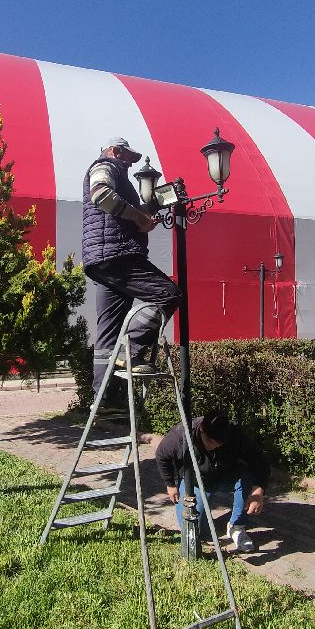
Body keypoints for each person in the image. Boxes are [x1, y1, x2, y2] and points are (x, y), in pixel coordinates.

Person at [82, 137, 182, 403]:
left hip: (102, 263)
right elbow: (100, 194)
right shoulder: (105, 165)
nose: (129, 164)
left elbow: (122, 209)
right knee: (168, 294)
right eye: (128, 157)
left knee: (108, 332)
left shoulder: (116, 174)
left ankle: (103, 401)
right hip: (118, 255)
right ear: (116, 151)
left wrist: (149, 209)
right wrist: (139, 218)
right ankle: (131, 349)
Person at [155, 410, 269, 553]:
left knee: (248, 478)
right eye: (211, 443)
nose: (215, 447)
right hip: (198, 481)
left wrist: (259, 490)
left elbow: (260, 461)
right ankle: (201, 517)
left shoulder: (235, 434)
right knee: (195, 529)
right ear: (202, 429)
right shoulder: (181, 435)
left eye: (219, 444)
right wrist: (170, 484)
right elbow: (161, 456)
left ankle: (236, 527)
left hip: (226, 475)